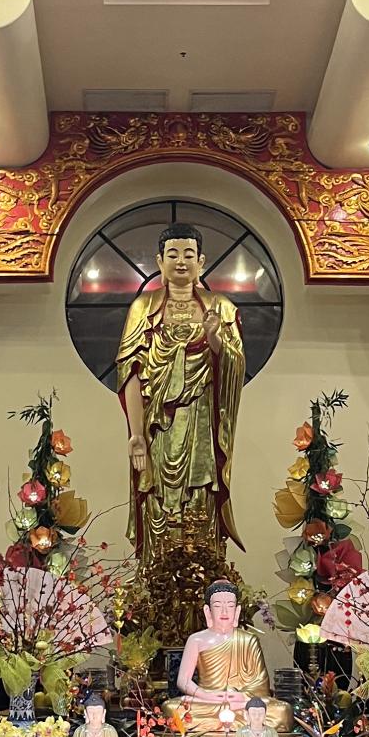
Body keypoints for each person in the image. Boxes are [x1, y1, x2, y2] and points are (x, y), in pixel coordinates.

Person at [116, 221, 244, 566]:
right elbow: (131, 372)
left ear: (201, 261)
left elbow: (233, 367)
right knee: (157, 498)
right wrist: (137, 435)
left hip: (201, 422)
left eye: (189, 254)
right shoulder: (142, 309)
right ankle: (156, 588)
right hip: (160, 427)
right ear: (159, 261)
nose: (181, 261)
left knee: (201, 497)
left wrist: (215, 339)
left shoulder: (221, 307)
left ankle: (205, 583)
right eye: (173, 254)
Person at [168, 581, 291, 736]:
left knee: (282, 711)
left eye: (230, 605)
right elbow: (183, 681)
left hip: (241, 703)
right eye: (218, 605)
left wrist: (242, 696)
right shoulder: (196, 640)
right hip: (207, 701)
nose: (224, 611)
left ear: (237, 610)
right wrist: (205, 694)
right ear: (208, 610)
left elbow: (261, 683)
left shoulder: (248, 640)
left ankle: (221, 723)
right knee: (172, 709)